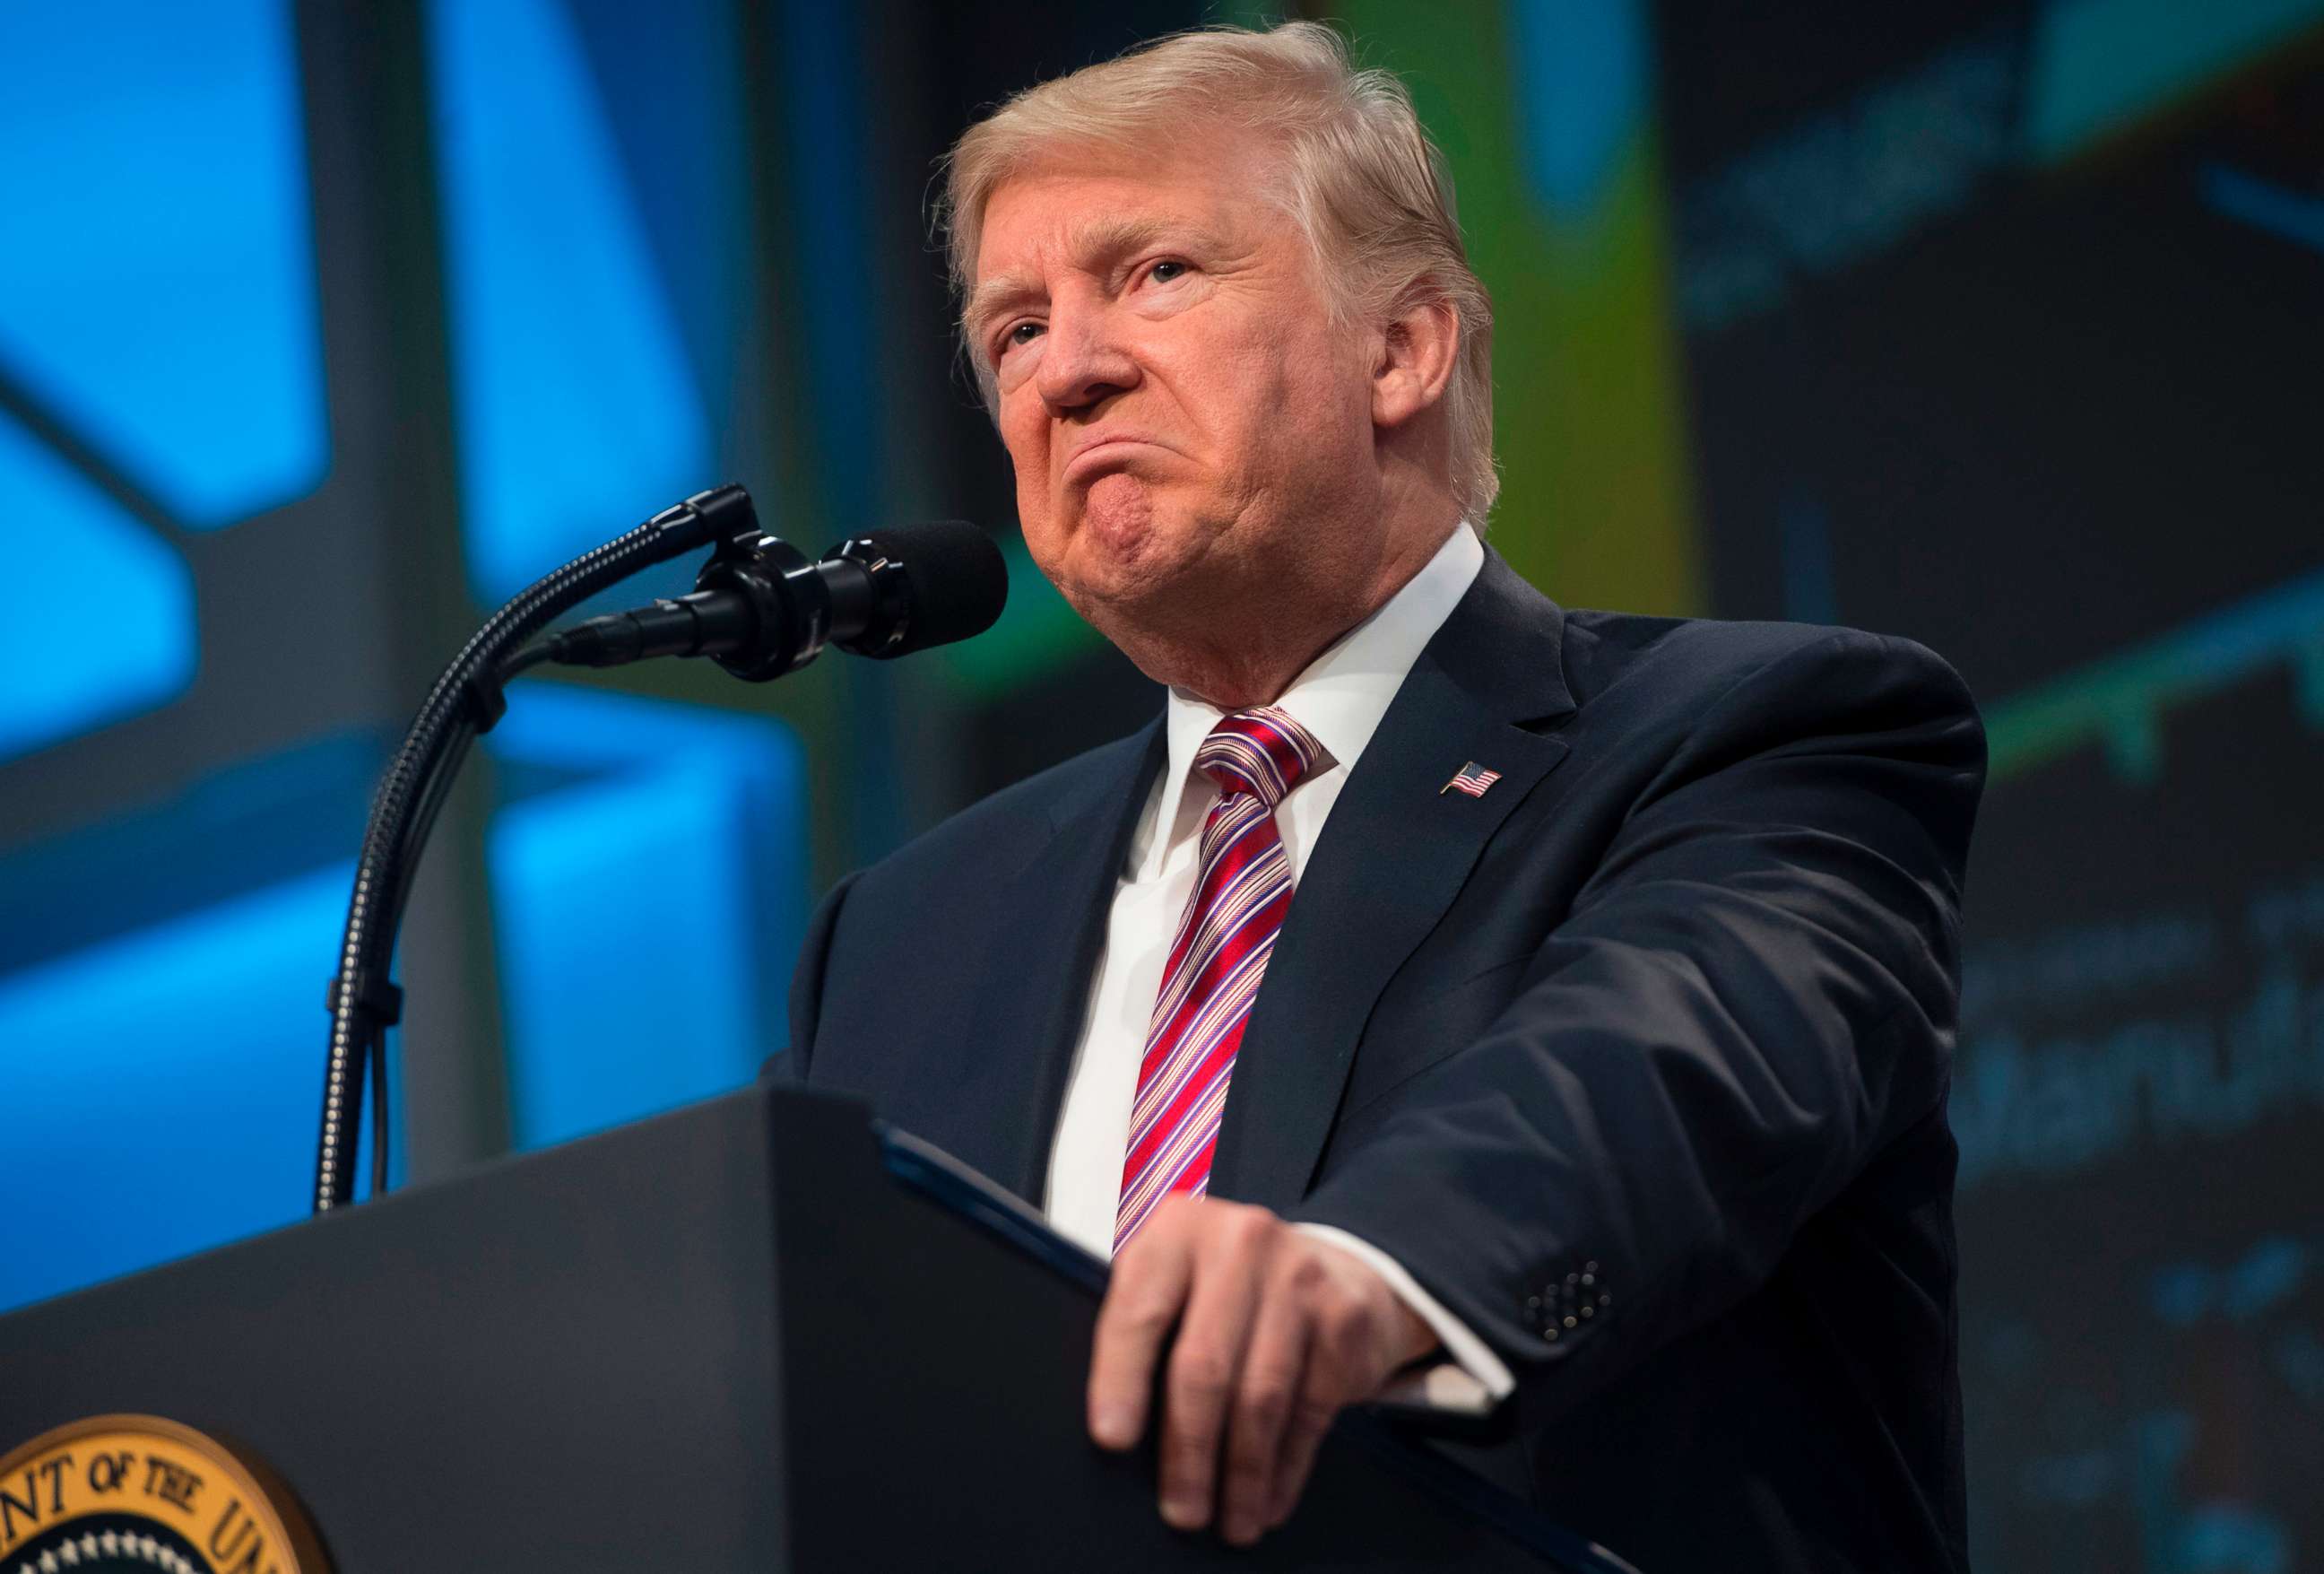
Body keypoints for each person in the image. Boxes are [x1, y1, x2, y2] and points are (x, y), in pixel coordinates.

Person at [784, 22, 1982, 1571]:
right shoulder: (898, 935)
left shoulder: (1762, 737)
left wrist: (1366, 1271)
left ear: (1401, 350)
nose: (1066, 371)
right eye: (1015, 329)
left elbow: (1656, 1067)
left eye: (1156, 273)